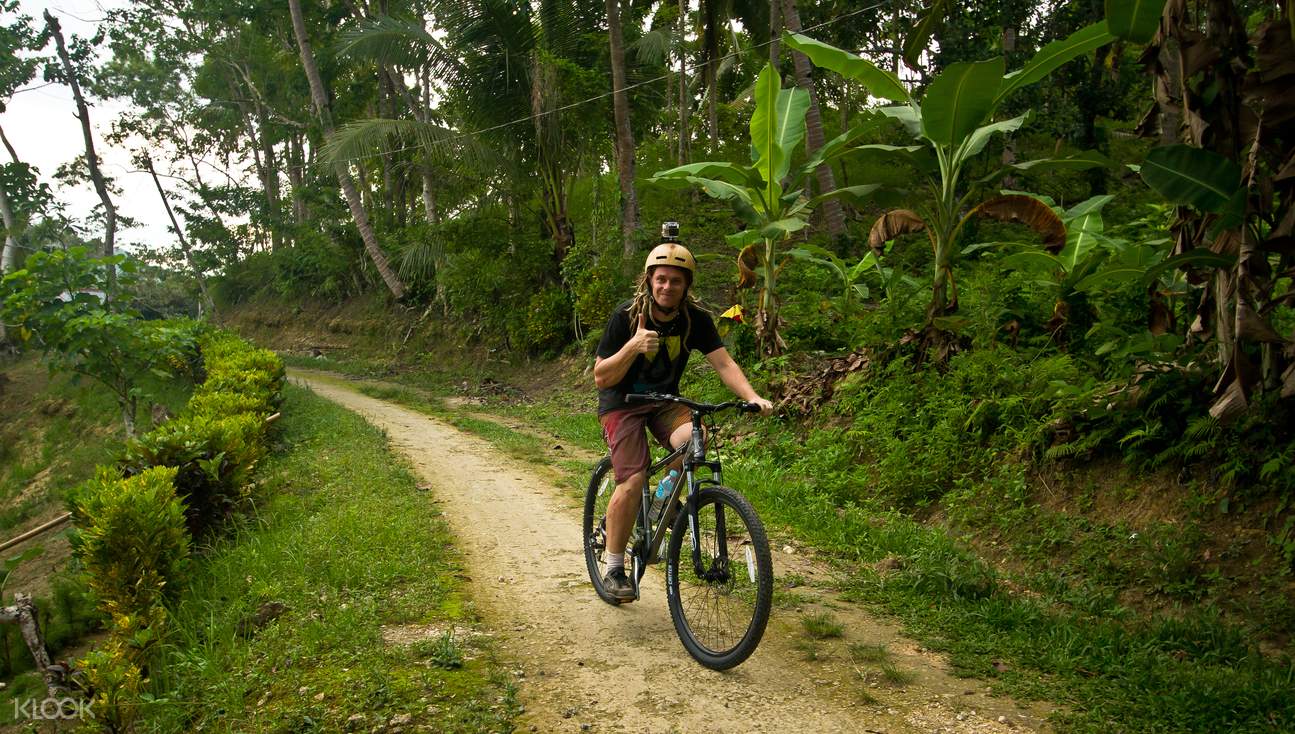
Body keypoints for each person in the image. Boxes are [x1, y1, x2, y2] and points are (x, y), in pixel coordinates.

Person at [592, 222, 773, 602]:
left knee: (695, 439)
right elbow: (601, 375)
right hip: (620, 404)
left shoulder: (695, 320)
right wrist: (633, 346)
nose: (667, 287)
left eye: (676, 281)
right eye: (661, 279)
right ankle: (613, 567)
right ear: (649, 281)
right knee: (632, 478)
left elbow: (724, 365)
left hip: (663, 402)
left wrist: (753, 396)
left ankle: (661, 503)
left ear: (686, 285)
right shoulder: (625, 316)